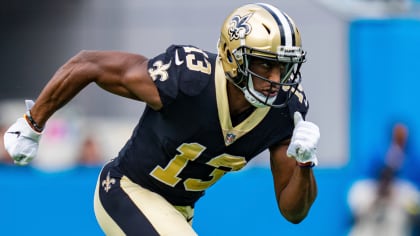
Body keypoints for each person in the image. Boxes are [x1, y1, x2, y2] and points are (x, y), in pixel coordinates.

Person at [3, 3, 320, 235]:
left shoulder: (283, 111)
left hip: (178, 213)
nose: (276, 79)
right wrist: (32, 123)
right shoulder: (187, 79)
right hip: (126, 189)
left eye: (284, 67)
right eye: (265, 65)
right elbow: (88, 64)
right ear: (233, 58)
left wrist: (304, 165)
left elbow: (293, 212)